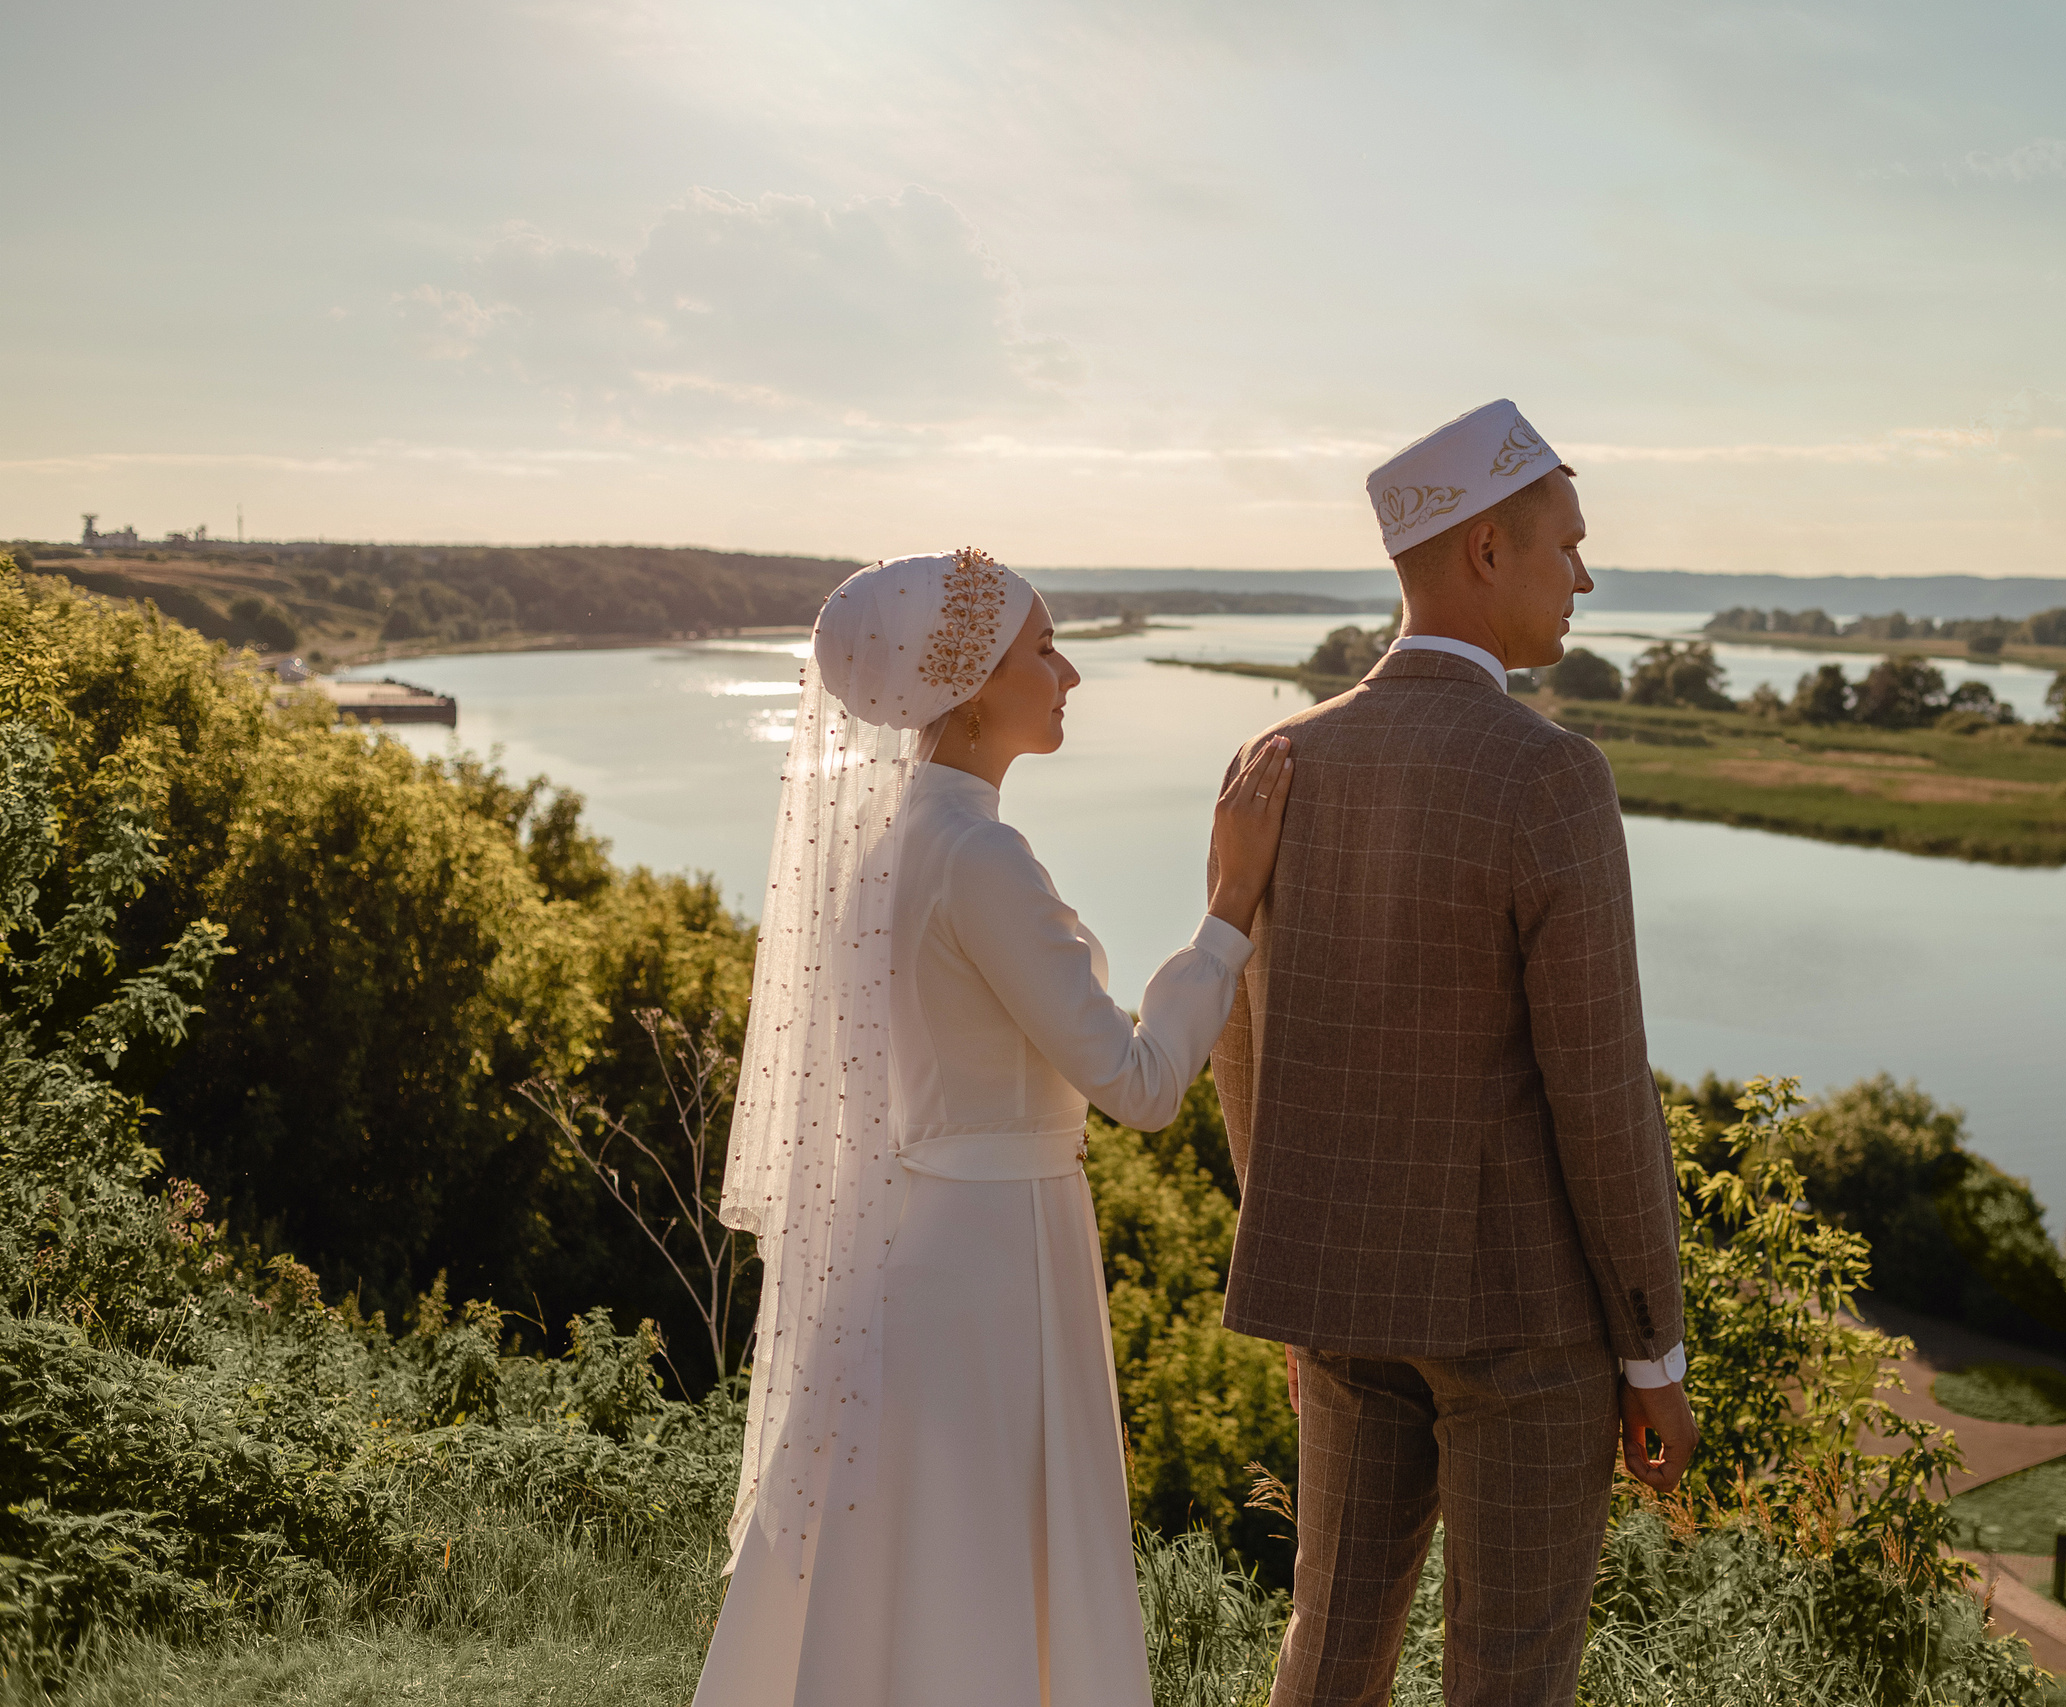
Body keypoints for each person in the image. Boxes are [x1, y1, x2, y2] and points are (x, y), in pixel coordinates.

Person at [695, 547, 1293, 1706]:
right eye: (1043, 649)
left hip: (925, 1240)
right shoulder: (978, 854)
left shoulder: (888, 840)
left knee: (919, 1565)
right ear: (971, 686)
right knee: (984, 1561)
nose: (1069, 673)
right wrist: (1227, 912)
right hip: (992, 1257)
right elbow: (1138, 1084)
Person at [1209, 402, 1697, 1707]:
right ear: (1487, 549)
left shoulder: (1278, 756)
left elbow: (1238, 1036)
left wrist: (1292, 1237)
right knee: (1510, 1671)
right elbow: (1601, 1090)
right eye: (1568, 546)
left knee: (1328, 1641)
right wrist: (1654, 1353)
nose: (1585, 575)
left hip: (1342, 1297)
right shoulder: (1549, 775)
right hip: (1522, 1324)